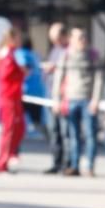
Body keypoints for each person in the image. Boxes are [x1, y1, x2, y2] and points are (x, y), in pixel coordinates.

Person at [53, 28, 103, 176]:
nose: (82, 40)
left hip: (87, 100)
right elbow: (58, 78)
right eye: (79, 38)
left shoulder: (93, 56)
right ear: (71, 40)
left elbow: (99, 80)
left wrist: (96, 99)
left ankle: (90, 166)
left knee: (90, 135)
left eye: (84, 37)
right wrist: (56, 99)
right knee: (73, 135)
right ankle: (74, 165)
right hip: (71, 99)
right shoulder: (66, 56)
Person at [0, 28, 27, 173]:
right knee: (9, 130)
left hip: (13, 96)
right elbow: (5, 74)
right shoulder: (6, 53)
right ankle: (1, 161)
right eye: (18, 38)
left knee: (18, 128)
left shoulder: (11, 53)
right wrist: (21, 72)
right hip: (9, 97)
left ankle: (7, 157)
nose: (20, 41)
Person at [41, 22, 70, 174]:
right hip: (50, 94)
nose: (54, 42)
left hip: (63, 95)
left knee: (65, 131)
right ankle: (56, 161)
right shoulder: (55, 50)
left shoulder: (69, 51)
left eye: (56, 38)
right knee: (53, 130)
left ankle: (67, 163)